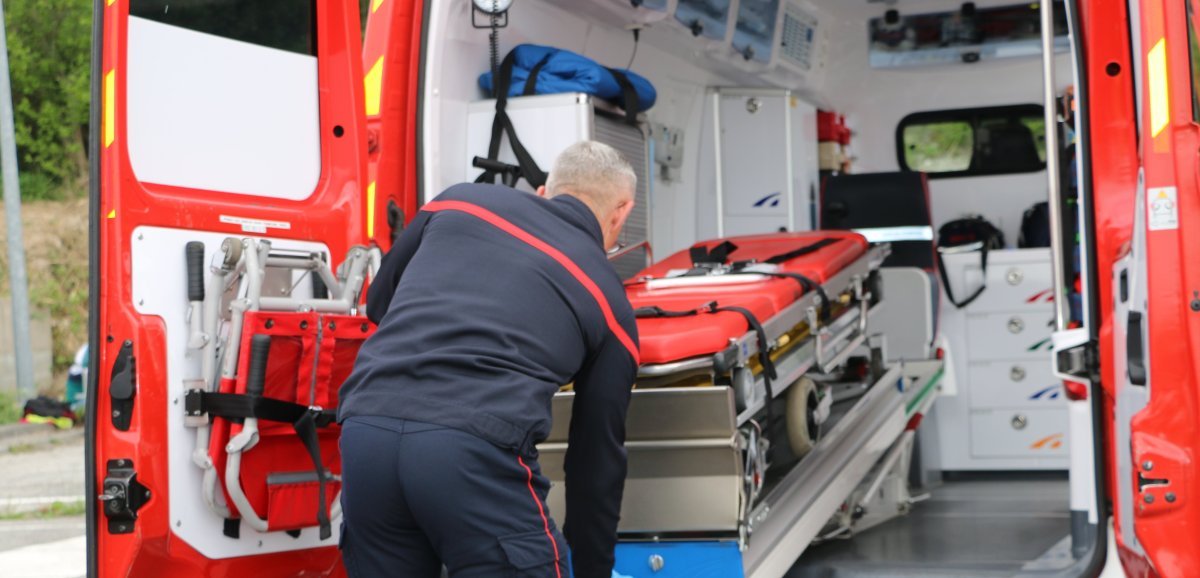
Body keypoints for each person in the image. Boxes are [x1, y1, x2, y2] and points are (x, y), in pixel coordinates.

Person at [338, 141, 640, 578]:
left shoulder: (457, 201)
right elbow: (595, 462)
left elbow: (380, 302)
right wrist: (593, 569)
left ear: (544, 191)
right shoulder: (609, 301)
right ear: (621, 212)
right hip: (472, 453)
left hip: (366, 433)